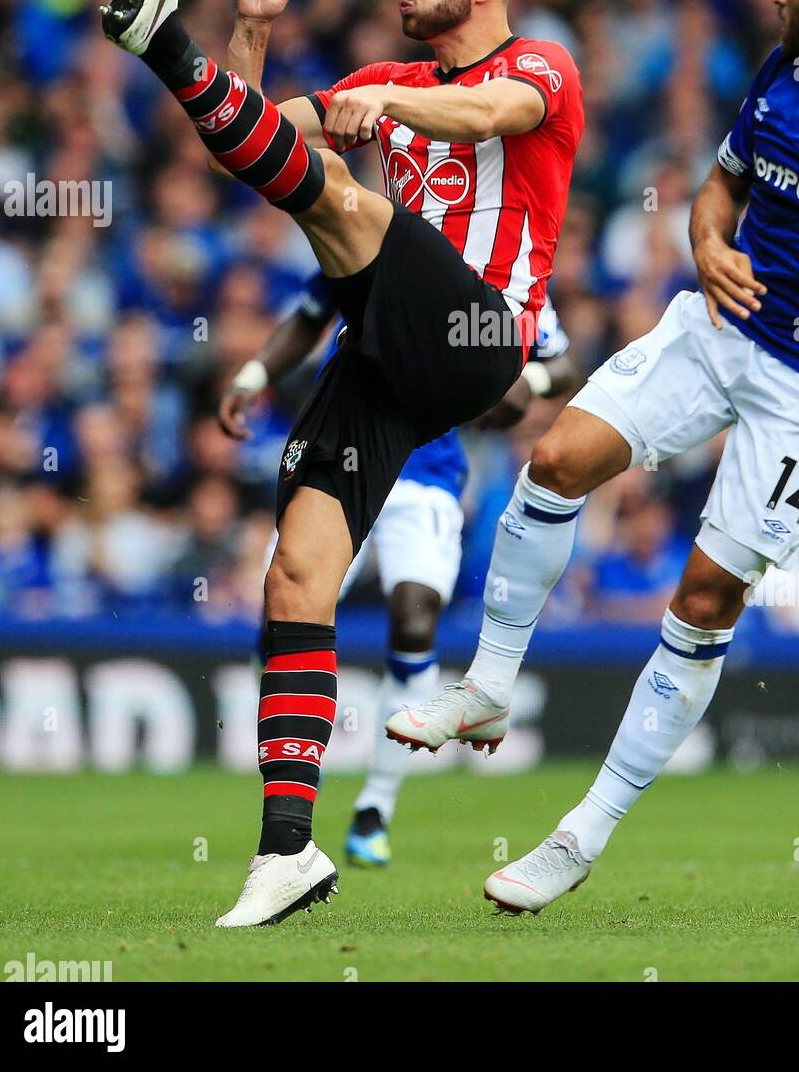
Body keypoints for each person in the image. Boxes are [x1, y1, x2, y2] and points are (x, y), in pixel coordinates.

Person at [390, 0, 799, 912]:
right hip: (716, 325)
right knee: (557, 457)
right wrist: (707, 243)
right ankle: (486, 681)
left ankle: (581, 835)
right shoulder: (780, 73)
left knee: (703, 601)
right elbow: (718, 191)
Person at [101, 0, 584, 926]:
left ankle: (159, 39)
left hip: (478, 336)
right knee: (296, 576)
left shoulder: (541, 64)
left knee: (342, 194)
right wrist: (254, 34)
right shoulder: (384, 79)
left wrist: (391, 112)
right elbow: (248, 148)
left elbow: (494, 114)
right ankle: (287, 850)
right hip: (382, 352)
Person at [219, 280, 576, 866]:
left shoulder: (506, 272)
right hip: (339, 455)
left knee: (414, 621)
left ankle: (374, 808)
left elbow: (558, 363)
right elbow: (310, 315)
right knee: (281, 609)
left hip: (424, 476)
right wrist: (254, 376)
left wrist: (529, 381)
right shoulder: (378, 240)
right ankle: (289, 767)